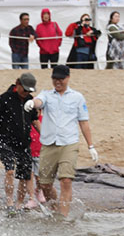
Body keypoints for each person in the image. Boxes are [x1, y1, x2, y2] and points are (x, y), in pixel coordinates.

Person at [23, 65, 97, 218]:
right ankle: (56, 208)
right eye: (55, 79)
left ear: (68, 78)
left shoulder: (77, 97)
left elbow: (84, 122)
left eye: (61, 79)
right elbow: (39, 101)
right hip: (49, 144)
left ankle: (63, 217)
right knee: (45, 184)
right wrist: (32, 103)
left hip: (69, 143)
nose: (58, 82)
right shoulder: (47, 94)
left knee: (66, 180)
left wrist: (91, 146)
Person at [0, 73, 40, 215]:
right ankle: (9, 201)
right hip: (6, 140)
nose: (27, 93)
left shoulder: (30, 100)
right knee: (10, 170)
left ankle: (19, 203)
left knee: (25, 174)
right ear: (17, 84)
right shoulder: (3, 99)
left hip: (23, 142)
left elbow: (35, 120)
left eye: (30, 91)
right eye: (25, 89)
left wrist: (45, 136)